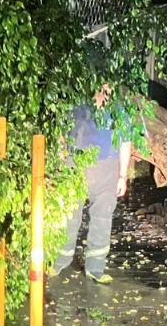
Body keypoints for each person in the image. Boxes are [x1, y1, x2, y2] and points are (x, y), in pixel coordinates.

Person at [52, 85, 133, 284]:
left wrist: (122, 176)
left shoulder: (119, 110)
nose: (104, 89)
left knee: (102, 219)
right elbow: (61, 135)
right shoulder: (76, 106)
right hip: (76, 166)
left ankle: (95, 269)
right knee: (69, 216)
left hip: (107, 169)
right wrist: (62, 164)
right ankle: (58, 262)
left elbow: (125, 142)